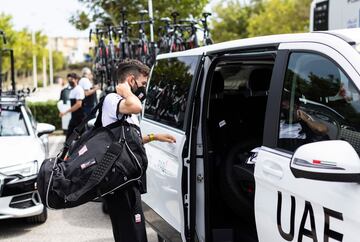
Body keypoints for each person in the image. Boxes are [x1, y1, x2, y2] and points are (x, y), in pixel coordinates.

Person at [101, 59, 176, 242]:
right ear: (130, 79)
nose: (143, 88)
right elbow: (137, 106)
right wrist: (126, 90)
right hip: (119, 181)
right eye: (141, 83)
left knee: (135, 233)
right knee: (130, 235)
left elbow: (129, 139)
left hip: (128, 180)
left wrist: (154, 137)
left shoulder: (123, 103)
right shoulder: (113, 100)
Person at [59, 73, 85, 140]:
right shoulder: (73, 90)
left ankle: (66, 150)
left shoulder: (78, 89)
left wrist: (65, 112)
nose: (70, 81)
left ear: (76, 80)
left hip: (79, 117)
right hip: (75, 117)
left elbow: (78, 104)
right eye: (69, 80)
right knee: (75, 137)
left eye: (72, 79)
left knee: (71, 137)